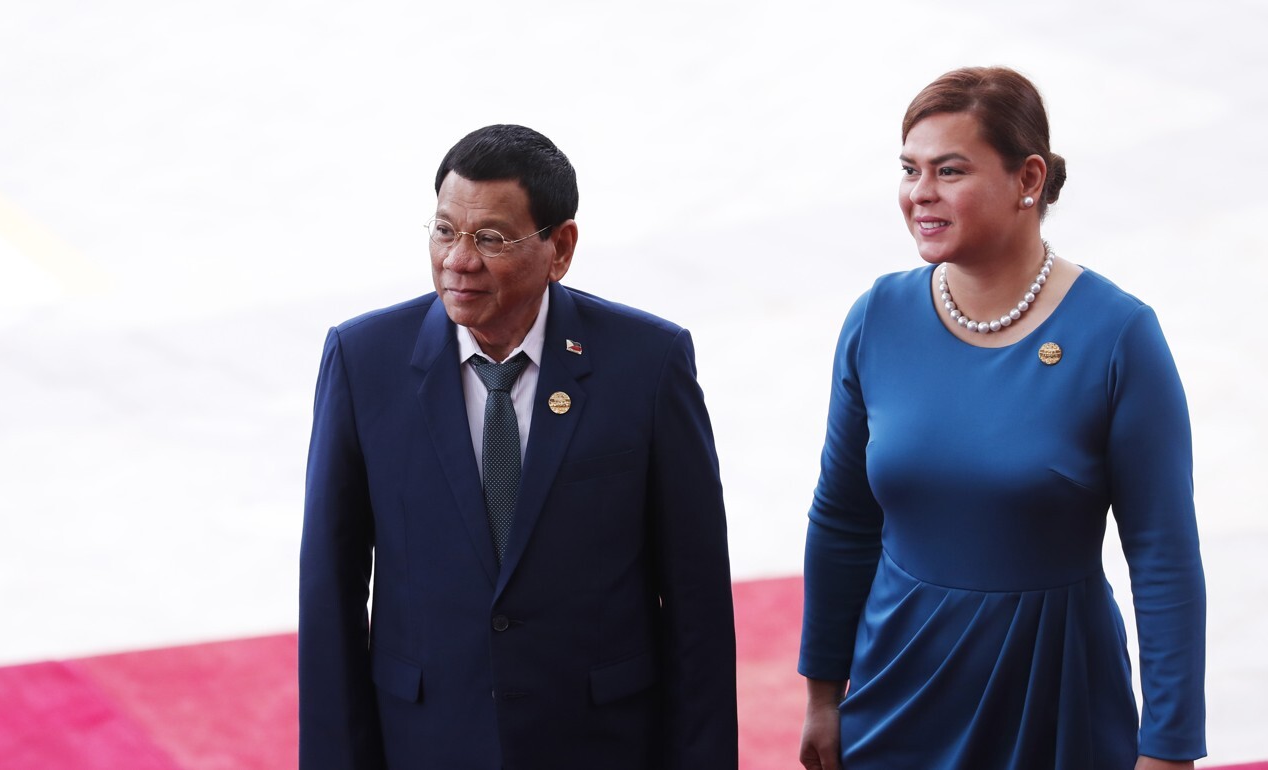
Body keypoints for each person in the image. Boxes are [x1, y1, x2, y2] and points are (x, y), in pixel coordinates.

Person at [797, 67, 1206, 770]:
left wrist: (1169, 748)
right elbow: (842, 519)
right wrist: (823, 696)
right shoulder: (878, 317)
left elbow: (1164, 558)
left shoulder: (1119, 336)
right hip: (900, 685)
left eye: (949, 170)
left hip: (1054, 691)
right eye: (909, 169)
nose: (920, 193)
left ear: (1029, 179)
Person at [299, 124, 738, 769]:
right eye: (445, 230)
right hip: (428, 743)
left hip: (600, 746)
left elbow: (697, 600)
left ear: (560, 248)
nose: (459, 259)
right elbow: (330, 592)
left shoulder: (646, 365)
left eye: (492, 239)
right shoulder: (365, 363)